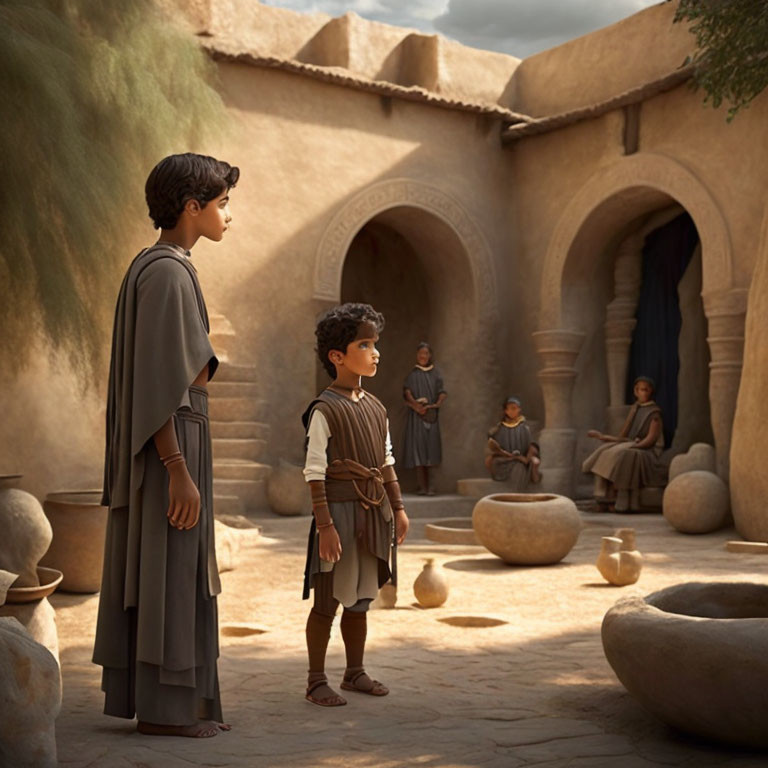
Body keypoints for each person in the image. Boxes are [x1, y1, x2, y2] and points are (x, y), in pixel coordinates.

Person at [93, 153, 238, 738]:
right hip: (170, 447)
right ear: (191, 207)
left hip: (177, 442)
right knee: (172, 572)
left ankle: (183, 704)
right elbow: (157, 384)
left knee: (180, 571)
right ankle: (165, 712)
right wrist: (177, 467)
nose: (230, 215)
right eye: (222, 203)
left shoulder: (163, 267)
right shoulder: (168, 272)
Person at [301, 302, 410, 707]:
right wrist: (326, 526)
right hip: (340, 515)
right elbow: (314, 472)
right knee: (328, 599)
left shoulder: (377, 408)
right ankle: (315, 681)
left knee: (362, 598)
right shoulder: (324, 410)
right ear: (337, 356)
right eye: (365, 344)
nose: (375, 352)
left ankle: (354, 672)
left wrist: (397, 508)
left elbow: (385, 463)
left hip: (372, 513)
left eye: (375, 344)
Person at [582, 376, 667, 512]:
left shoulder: (654, 413)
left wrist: (635, 445)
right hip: (631, 443)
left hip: (648, 451)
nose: (642, 393)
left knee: (625, 454)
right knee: (605, 451)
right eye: (639, 390)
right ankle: (604, 498)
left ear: (650, 391)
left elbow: (650, 440)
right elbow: (624, 437)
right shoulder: (635, 409)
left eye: (645, 390)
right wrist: (603, 437)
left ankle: (624, 499)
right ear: (635, 391)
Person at [402, 342, 446, 495]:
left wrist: (434, 406)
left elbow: (442, 393)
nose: (423, 356)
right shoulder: (412, 375)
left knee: (431, 451)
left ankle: (432, 487)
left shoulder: (436, 374)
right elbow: (407, 394)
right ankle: (422, 487)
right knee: (418, 452)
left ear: (430, 355)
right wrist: (416, 406)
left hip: (431, 417)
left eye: (426, 353)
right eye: (420, 353)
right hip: (416, 418)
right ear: (417, 355)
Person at [485, 396, 541, 488]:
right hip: (505, 459)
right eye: (510, 409)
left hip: (523, 459)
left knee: (520, 468)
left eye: (515, 408)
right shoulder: (498, 429)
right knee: (490, 461)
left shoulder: (526, 427)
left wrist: (526, 458)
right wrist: (505, 454)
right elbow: (493, 447)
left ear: (519, 409)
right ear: (506, 411)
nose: (513, 411)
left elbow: (533, 445)